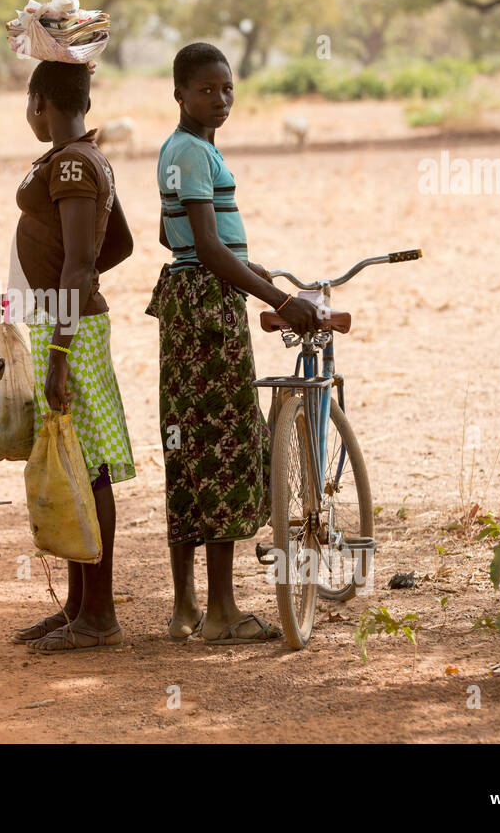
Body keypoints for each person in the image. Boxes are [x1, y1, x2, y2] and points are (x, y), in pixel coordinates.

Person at [145, 43, 321, 644]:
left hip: (187, 300)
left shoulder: (180, 150)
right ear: (179, 95)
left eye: (227, 89)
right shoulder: (194, 151)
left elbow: (176, 238)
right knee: (221, 447)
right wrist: (278, 300)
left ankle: (186, 607)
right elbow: (209, 248)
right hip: (210, 312)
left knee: (188, 445)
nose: (219, 100)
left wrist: (248, 268)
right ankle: (222, 613)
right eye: (206, 90)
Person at [8, 60, 137, 653]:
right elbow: (120, 243)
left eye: (29, 103)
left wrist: (60, 342)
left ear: (40, 102)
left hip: (71, 333)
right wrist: (71, 279)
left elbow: (84, 260)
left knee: (90, 471)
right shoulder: (86, 156)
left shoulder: (70, 162)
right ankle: (80, 608)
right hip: (67, 319)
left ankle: (99, 616)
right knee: (76, 463)